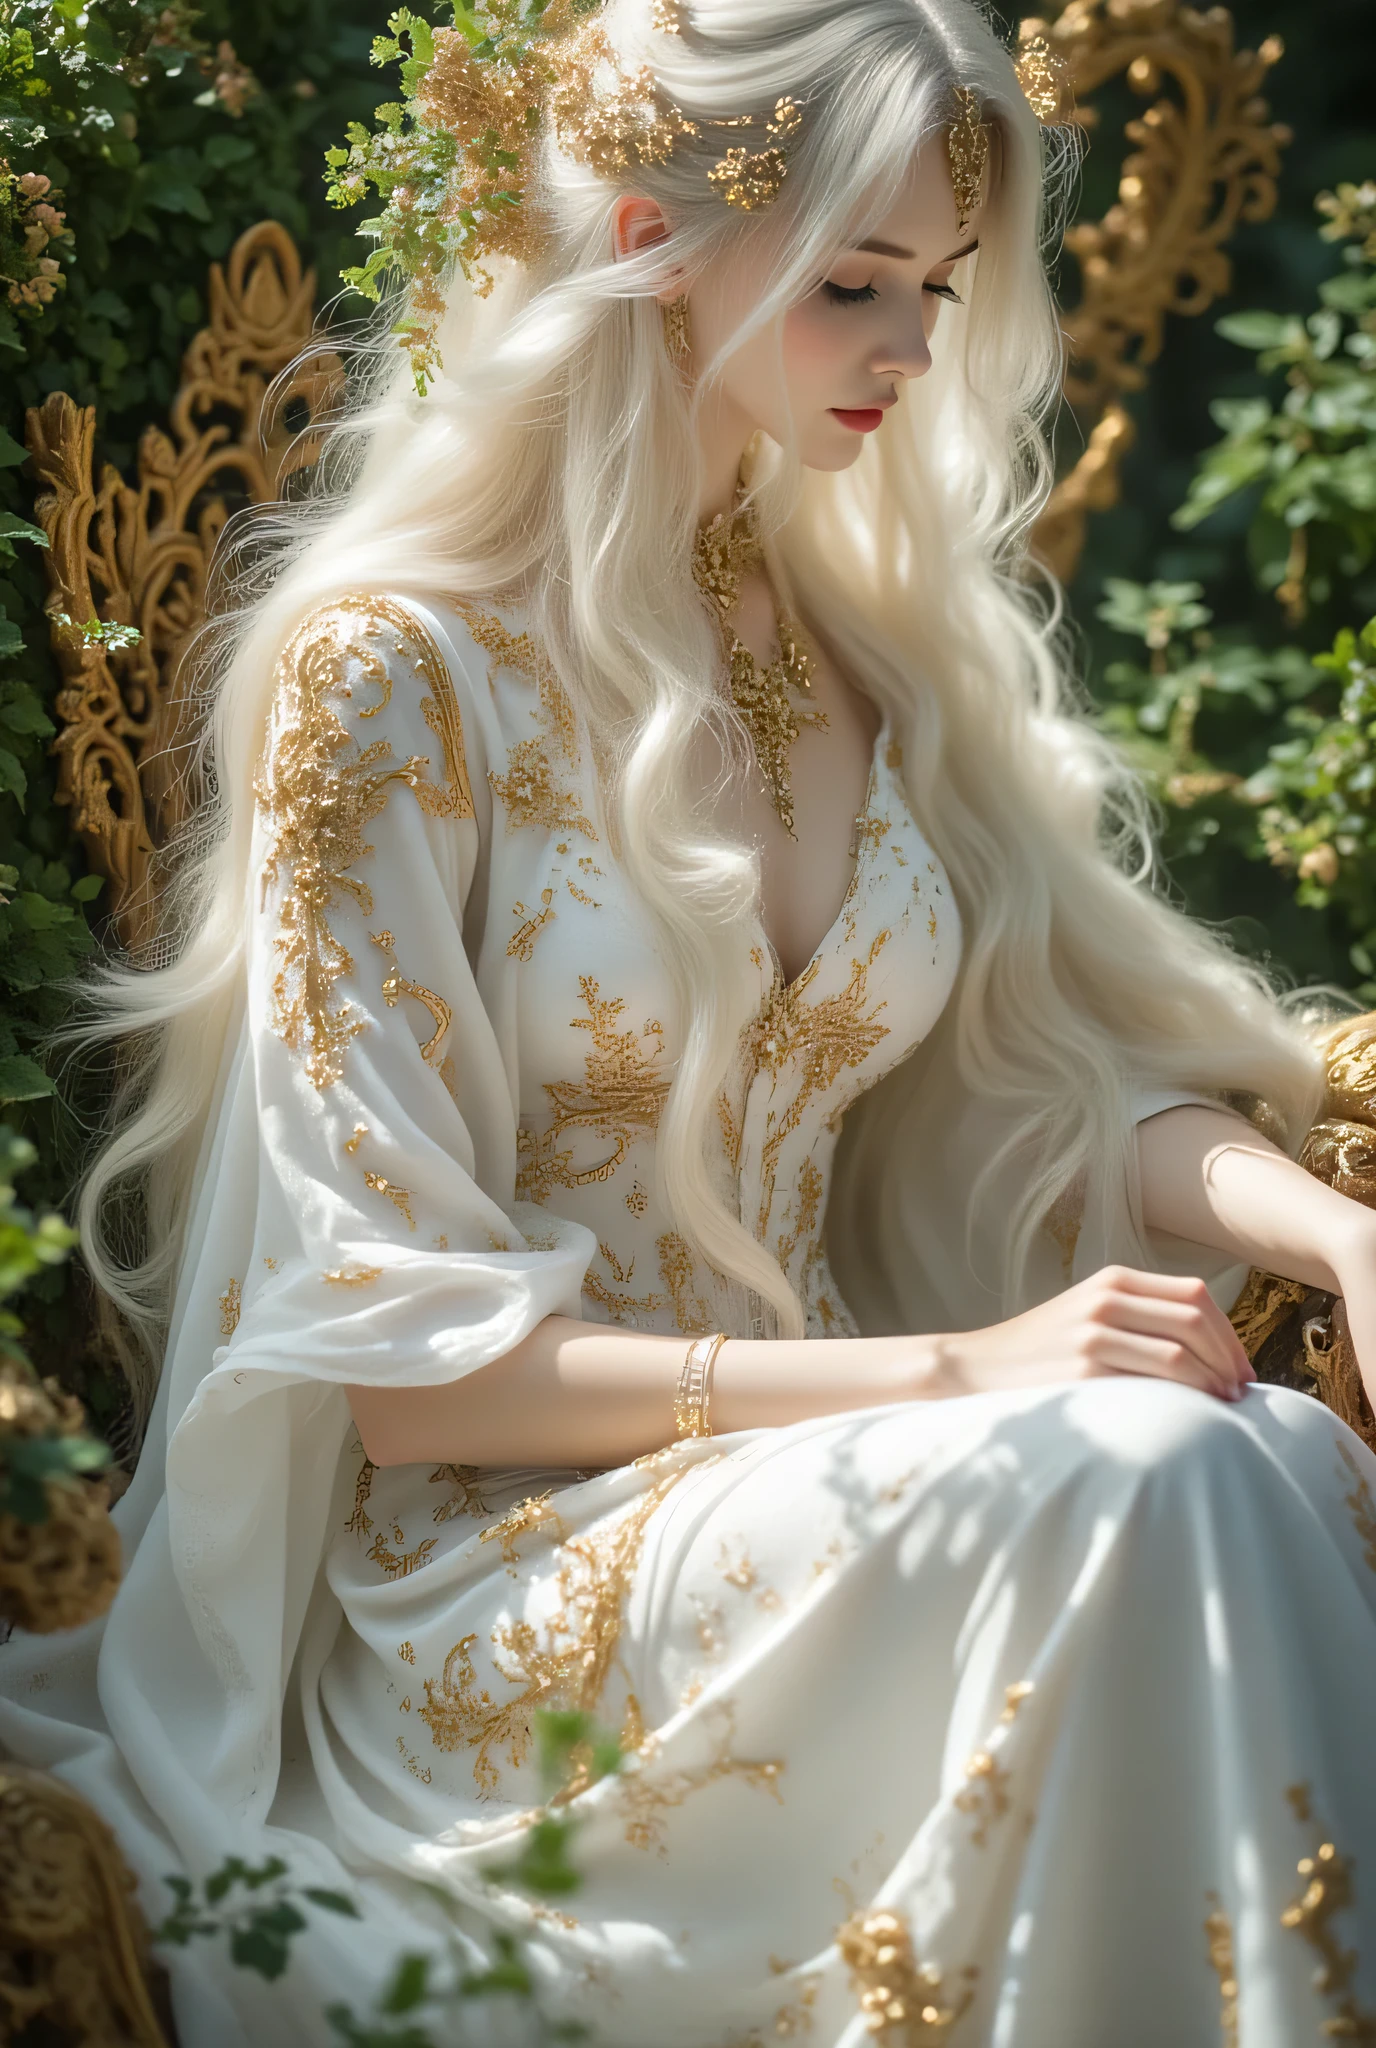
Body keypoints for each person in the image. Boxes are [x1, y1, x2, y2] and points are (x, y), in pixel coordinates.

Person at [3, 0, 1375, 2040]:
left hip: (819, 1504)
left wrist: (1327, 1230)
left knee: (1272, 1454)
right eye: (853, 285)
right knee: (1141, 1470)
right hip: (482, 1594)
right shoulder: (386, 682)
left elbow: (1034, 1087)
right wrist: (964, 1367)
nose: (910, 352)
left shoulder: (854, 634)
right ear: (649, 238)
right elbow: (419, 1387)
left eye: (936, 290)